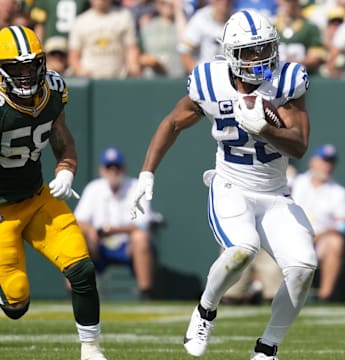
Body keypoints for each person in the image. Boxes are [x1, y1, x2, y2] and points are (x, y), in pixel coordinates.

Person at [130, 9, 317, 360]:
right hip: (231, 184)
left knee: (304, 267)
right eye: (252, 51)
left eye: (266, 48)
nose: (261, 58)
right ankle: (204, 312)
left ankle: (267, 349)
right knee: (242, 248)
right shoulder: (208, 81)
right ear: (231, 54)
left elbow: (300, 144)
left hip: (275, 193)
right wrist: (147, 173)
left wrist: (266, 129)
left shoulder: (288, 80)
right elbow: (172, 123)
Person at [0, 25, 107, 360]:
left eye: (31, 65)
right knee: (16, 302)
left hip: (37, 197)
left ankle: (90, 349)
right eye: (15, 67)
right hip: (1, 212)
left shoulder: (55, 89)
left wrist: (67, 168)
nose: (25, 73)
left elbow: (62, 138)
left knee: (82, 269)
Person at [74, 147, 156, 300]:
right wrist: (90, 230)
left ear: (123, 168)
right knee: (74, 238)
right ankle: (74, 294)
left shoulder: (136, 187)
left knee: (141, 238)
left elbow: (144, 224)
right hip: (98, 246)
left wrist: (114, 231)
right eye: (109, 167)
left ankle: (146, 293)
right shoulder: (93, 188)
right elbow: (78, 220)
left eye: (117, 167)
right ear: (102, 170)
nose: (113, 171)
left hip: (127, 246)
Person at [291, 144, 345, 302]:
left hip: (319, 243)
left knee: (335, 242)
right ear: (313, 162)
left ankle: (325, 297)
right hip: (291, 237)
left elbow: (342, 226)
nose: (327, 166)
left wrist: (318, 236)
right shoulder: (294, 183)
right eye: (324, 161)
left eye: (331, 162)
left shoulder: (339, 192)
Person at [67, 0, 141, 78]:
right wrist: (80, 71)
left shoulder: (124, 17)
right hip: (90, 80)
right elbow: (74, 55)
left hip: (119, 78)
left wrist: (133, 68)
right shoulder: (80, 21)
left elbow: (131, 48)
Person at [177, 0, 234, 74]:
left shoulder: (237, 19)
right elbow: (184, 51)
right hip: (207, 75)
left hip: (230, 77)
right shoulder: (201, 18)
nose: (224, 2)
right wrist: (198, 76)